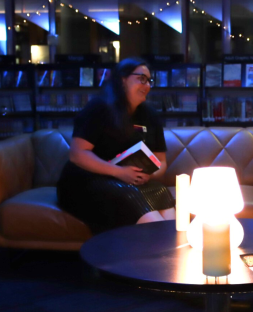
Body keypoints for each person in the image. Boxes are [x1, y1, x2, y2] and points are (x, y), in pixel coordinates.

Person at [57, 57, 175, 231]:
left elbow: (161, 162)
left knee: (160, 191)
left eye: (149, 81)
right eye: (141, 79)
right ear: (122, 80)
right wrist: (119, 172)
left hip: (129, 181)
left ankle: (169, 248)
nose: (147, 85)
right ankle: (162, 247)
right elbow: (78, 154)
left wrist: (149, 175)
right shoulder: (100, 108)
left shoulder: (150, 115)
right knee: (130, 196)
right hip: (86, 181)